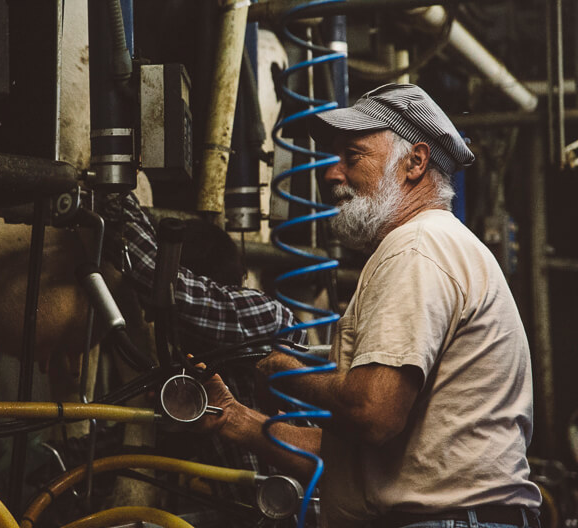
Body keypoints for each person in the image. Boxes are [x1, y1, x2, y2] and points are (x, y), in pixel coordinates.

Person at [198, 83, 543, 528]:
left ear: (415, 163)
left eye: (353, 156)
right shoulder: (437, 245)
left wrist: (274, 366)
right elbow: (349, 464)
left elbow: (372, 412)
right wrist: (238, 421)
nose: (331, 174)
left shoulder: (416, 248)